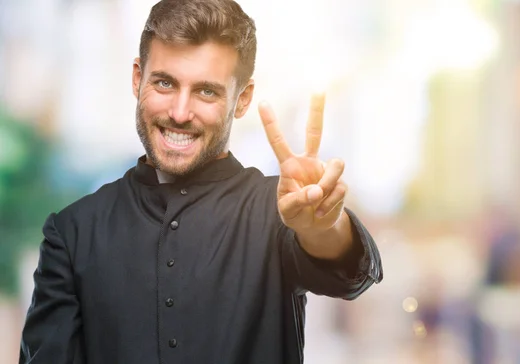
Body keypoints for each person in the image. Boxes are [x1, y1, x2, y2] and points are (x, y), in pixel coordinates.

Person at [19, 0, 383, 363]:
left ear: (242, 100)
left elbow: (348, 276)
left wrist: (323, 227)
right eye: (164, 83)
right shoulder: (73, 232)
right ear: (137, 78)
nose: (179, 113)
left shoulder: (280, 210)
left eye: (206, 91)